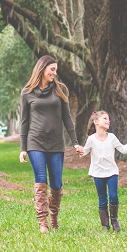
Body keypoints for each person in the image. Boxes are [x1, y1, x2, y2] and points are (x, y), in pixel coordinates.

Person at [19, 55, 84, 233]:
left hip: (56, 144)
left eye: (56, 70)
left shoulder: (60, 90)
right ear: (42, 69)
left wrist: (75, 142)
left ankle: (53, 215)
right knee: (41, 181)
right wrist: (23, 148)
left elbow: (67, 118)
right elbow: (24, 122)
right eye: (52, 69)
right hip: (35, 142)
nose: (55, 73)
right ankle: (42, 222)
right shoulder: (26, 92)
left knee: (56, 184)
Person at [80, 111, 127, 232]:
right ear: (96, 122)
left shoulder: (112, 137)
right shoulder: (91, 139)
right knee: (102, 199)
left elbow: (123, 149)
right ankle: (105, 225)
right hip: (98, 173)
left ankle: (114, 221)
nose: (108, 121)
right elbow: (84, 152)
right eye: (105, 118)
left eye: (108, 119)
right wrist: (79, 150)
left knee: (113, 196)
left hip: (111, 172)